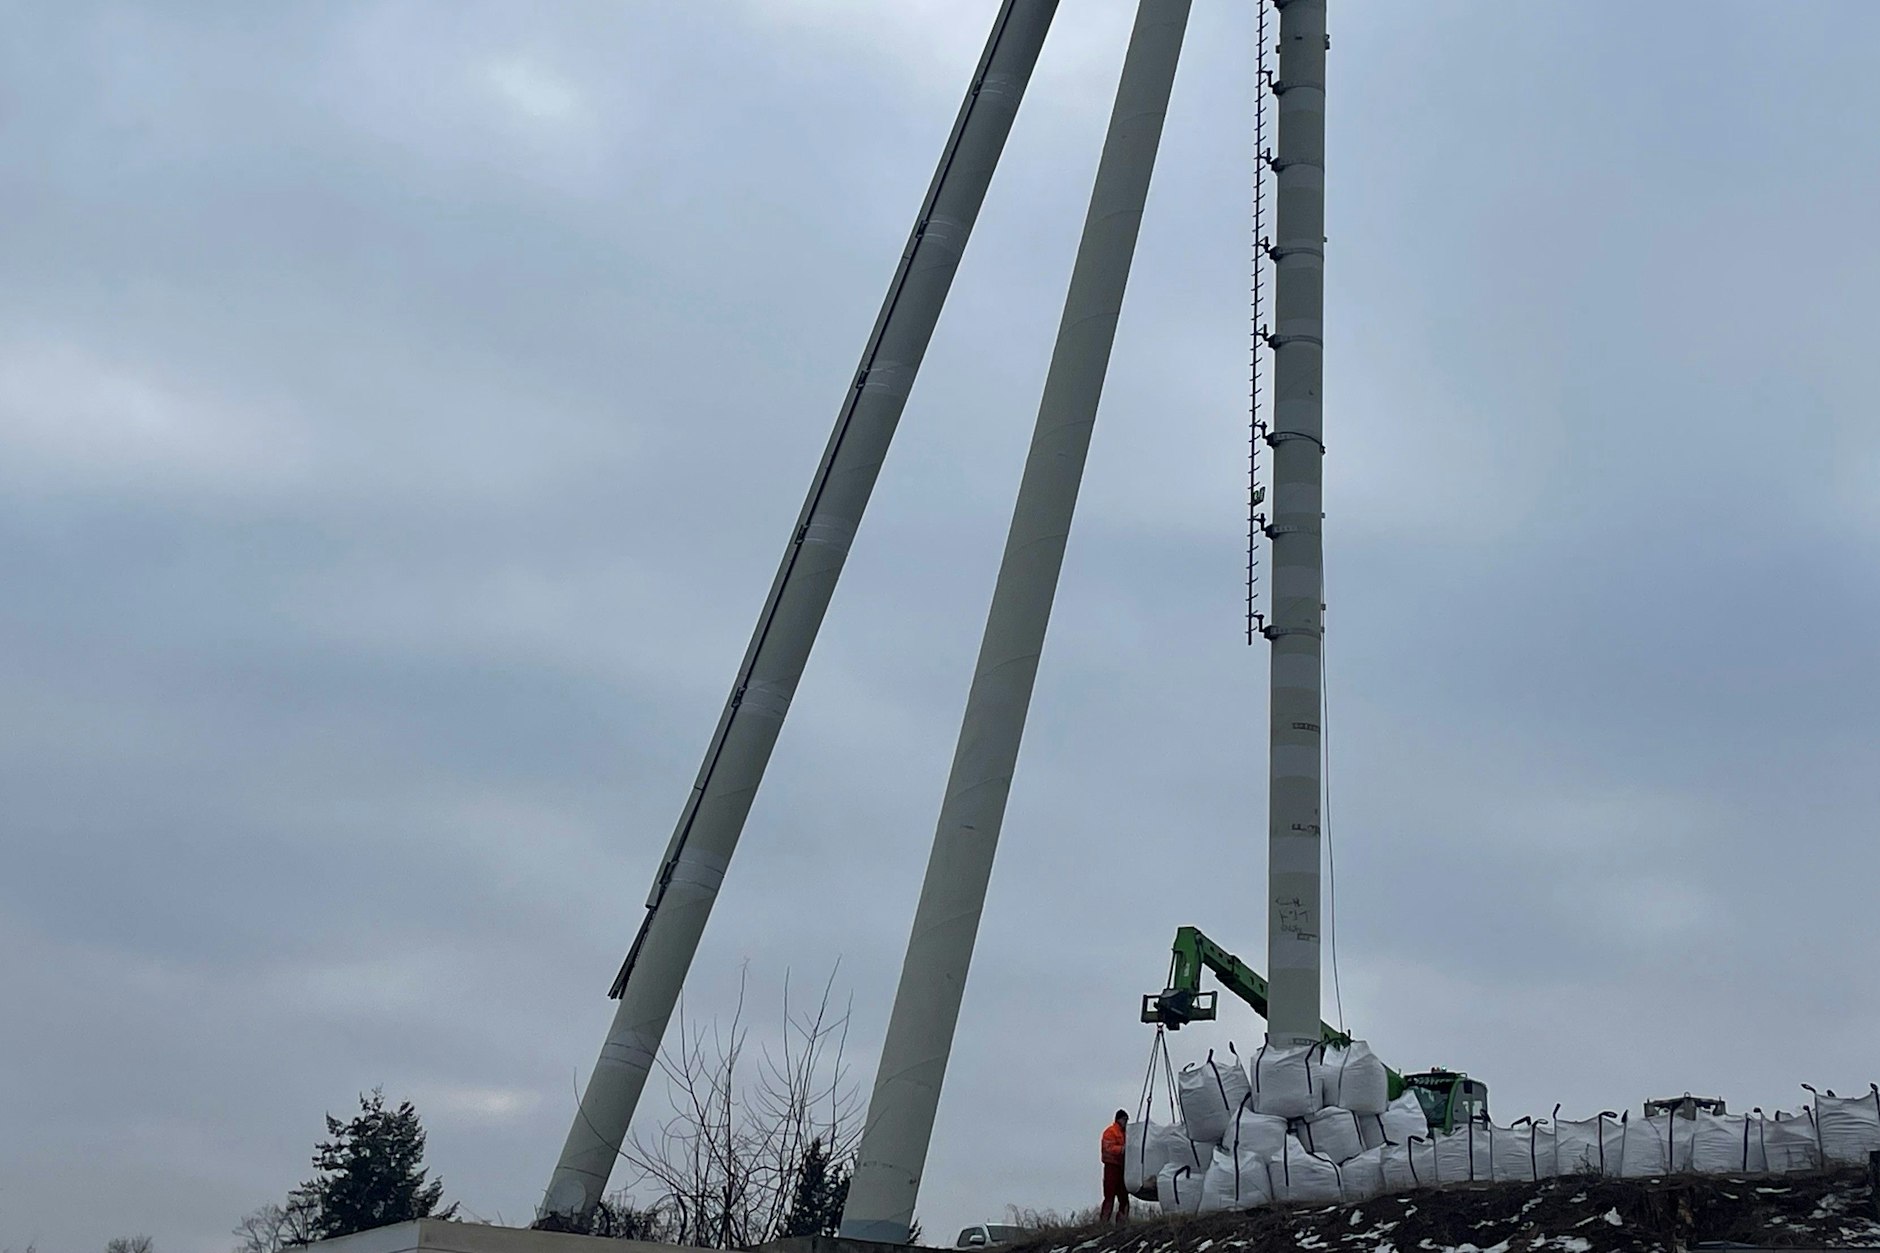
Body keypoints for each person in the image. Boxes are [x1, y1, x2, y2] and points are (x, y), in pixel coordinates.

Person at [1100, 1109, 1130, 1223]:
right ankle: (1103, 1223)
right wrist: (1122, 1149)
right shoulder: (1110, 1131)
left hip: (1122, 1168)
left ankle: (1122, 1223)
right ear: (1119, 1119)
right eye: (1124, 1119)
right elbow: (1107, 1148)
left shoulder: (1125, 1133)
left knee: (1124, 1197)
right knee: (1109, 1196)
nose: (1126, 1122)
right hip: (1111, 1167)